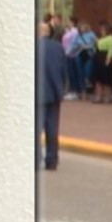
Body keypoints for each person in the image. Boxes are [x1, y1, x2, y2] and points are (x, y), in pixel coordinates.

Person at [37, 21, 67, 170]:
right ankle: (52, 159)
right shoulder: (58, 47)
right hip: (54, 93)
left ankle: (36, 160)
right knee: (52, 128)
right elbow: (63, 70)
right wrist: (62, 89)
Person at [94, 24, 112, 104]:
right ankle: (98, 96)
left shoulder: (111, 38)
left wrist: (108, 59)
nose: (101, 31)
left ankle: (107, 97)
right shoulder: (101, 38)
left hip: (105, 57)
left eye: (103, 30)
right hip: (98, 58)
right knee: (98, 79)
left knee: (107, 79)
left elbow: (111, 49)